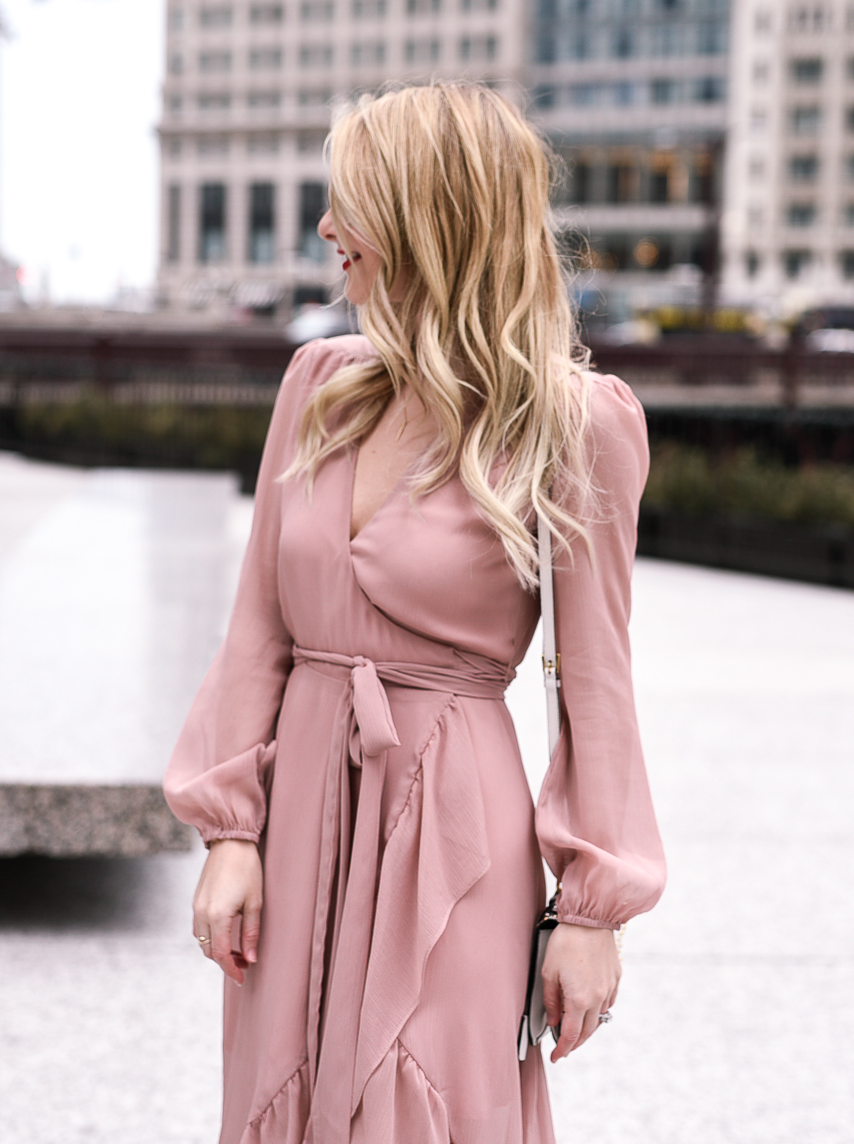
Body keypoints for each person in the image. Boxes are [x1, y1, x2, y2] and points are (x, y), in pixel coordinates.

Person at [164, 82, 665, 1144]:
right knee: (281, 1096)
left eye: (348, 199)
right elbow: (257, 626)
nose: (325, 228)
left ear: (425, 215)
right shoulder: (319, 384)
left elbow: (597, 681)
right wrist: (230, 830)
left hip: (455, 830)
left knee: (424, 1105)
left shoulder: (576, 424)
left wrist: (591, 909)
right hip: (299, 813)